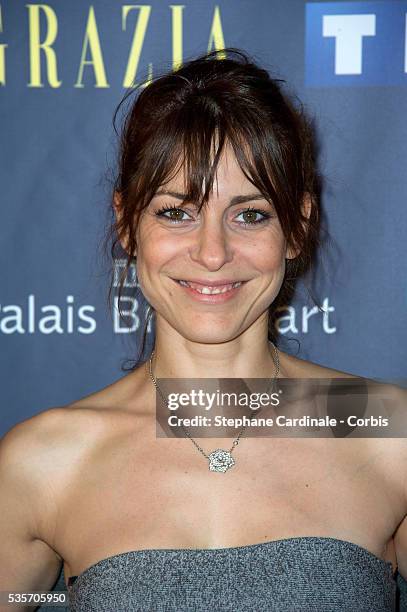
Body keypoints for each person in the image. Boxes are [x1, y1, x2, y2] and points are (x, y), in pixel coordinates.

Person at [1, 48, 406, 612]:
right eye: (176, 212)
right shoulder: (45, 461)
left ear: (297, 228)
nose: (212, 253)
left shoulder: (385, 431)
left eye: (251, 214)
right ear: (127, 223)